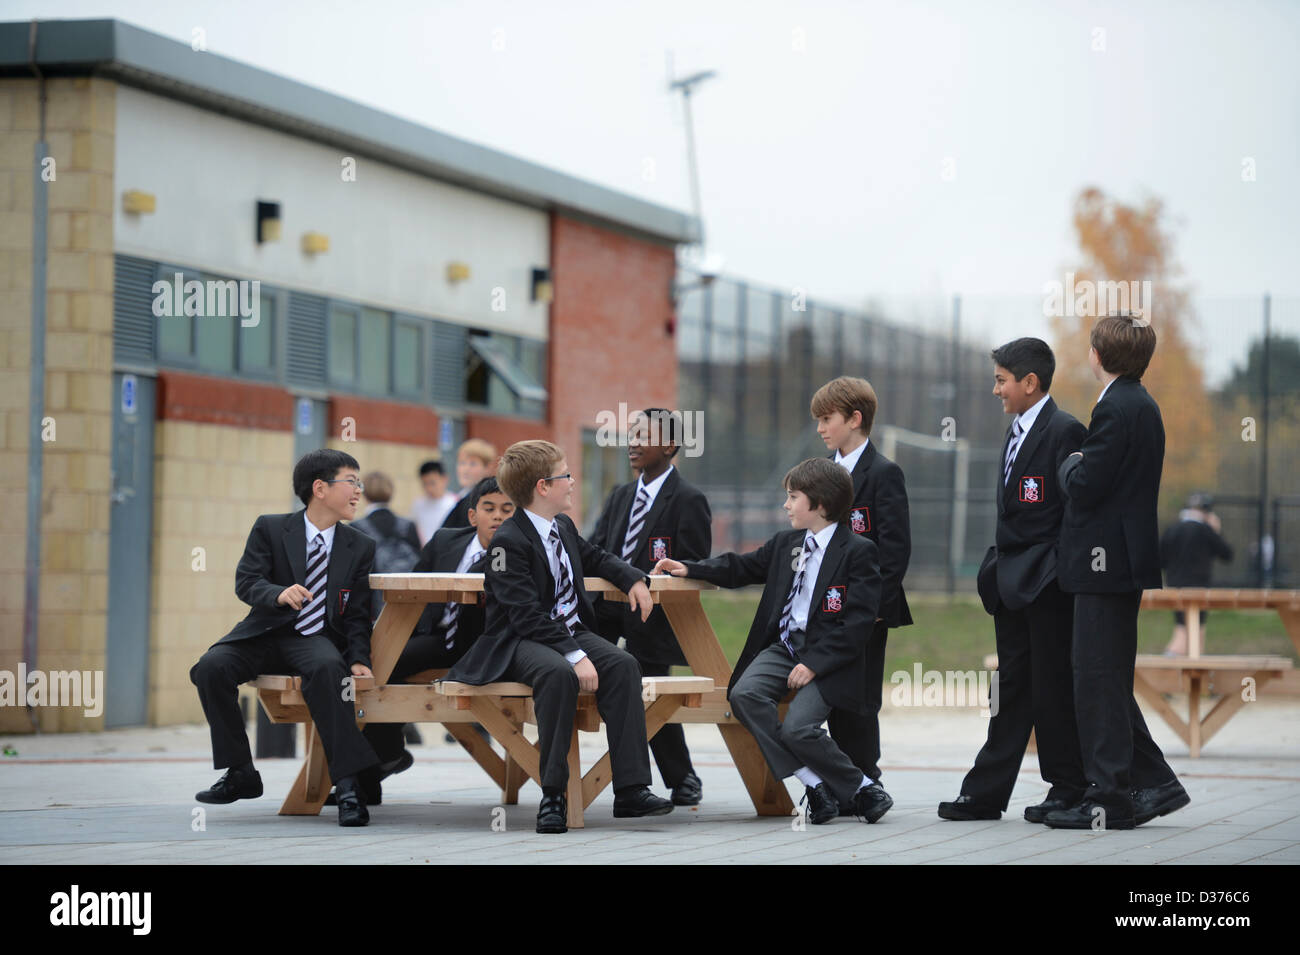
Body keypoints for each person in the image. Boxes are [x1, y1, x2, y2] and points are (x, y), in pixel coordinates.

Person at [444, 440, 673, 833]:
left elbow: (595, 556)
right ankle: (553, 795)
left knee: (622, 665)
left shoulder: (561, 525)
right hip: (518, 640)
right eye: (565, 474)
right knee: (558, 674)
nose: (572, 481)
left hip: (567, 630)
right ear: (543, 487)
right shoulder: (508, 542)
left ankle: (631, 790)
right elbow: (524, 615)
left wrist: (634, 578)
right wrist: (574, 655)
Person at [655, 458, 893, 824]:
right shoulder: (787, 544)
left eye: (793, 497)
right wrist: (691, 568)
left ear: (820, 504)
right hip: (785, 647)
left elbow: (857, 625)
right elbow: (742, 567)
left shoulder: (858, 551)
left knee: (799, 729)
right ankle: (815, 784)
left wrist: (814, 664)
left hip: (829, 657)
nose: (786, 505)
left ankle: (863, 788)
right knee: (744, 694)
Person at [1045, 314, 1189, 830]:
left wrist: (1069, 460)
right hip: (1116, 564)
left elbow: (1084, 483)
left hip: (1103, 566)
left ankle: (1109, 798)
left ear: (1098, 356)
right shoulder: (1139, 403)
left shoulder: (1116, 408)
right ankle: (1155, 783)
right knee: (1106, 680)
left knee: (1097, 681)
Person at [937, 338, 1088, 822]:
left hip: (1045, 585)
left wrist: (1054, 574)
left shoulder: (1065, 431)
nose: (995, 389)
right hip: (1011, 583)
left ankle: (1067, 787)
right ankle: (985, 794)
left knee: (1051, 687)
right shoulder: (1016, 430)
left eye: (1002, 380)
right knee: (1009, 688)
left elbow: (1073, 515)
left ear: (1030, 382)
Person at [189, 449, 379, 827]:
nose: (359, 491)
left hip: (314, 640)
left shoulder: (361, 546)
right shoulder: (271, 528)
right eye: (351, 482)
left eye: (360, 483)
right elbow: (247, 581)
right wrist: (277, 593)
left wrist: (360, 658)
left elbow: (358, 614)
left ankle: (347, 787)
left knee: (330, 669)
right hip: (264, 631)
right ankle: (240, 772)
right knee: (210, 668)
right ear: (320, 488)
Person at [328, 476, 512, 806]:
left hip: (484, 647)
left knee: (389, 670)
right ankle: (384, 757)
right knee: (378, 666)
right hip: (438, 637)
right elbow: (411, 587)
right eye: (489, 508)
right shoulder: (444, 541)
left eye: (507, 509)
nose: (498, 516)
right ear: (473, 515)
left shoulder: (517, 553)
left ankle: (370, 774)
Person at [590, 409, 712, 806]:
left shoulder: (690, 500)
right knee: (575, 669)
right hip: (607, 608)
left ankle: (681, 778)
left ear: (671, 445)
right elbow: (594, 550)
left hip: (655, 616)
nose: (634, 441)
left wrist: (651, 583)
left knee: (650, 694)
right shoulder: (620, 495)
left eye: (644, 434)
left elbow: (694, 566)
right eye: (632, 433)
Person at [811, 376, 911, 815]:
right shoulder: (819, 474)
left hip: (865, 612)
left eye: (827, 418)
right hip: (826, 611)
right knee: (832, 695)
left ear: (855, 419)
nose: (820, 428)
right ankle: (844, 780)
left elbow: (895, 549)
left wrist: (870, 607)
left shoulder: (885, 474)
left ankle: (867, 779)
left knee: (861, 697)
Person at [1160, 493, 1233, 655]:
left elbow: (1160, 560)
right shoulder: (1206, 530)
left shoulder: (1172, 529)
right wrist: (1216, 531)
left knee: (1184, 627)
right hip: (1199, 587)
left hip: (1175, 586)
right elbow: (1227, 554)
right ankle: (1171, 662)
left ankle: (1190, 670)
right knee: (1192, 631)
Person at [350, 471, 422, 622]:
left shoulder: (356, 528)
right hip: (409, 604)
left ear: (365, 494)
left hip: (372, 607)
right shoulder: (408, 525)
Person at [439, 439, 497, 530]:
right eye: (462, 463)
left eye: (473, 464)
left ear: (488, 468)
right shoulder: (463, 496)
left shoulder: (482, 499)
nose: (465, 469)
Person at [413, 460, 459, 546]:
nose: (429, 488)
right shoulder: (418, 505)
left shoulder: (455, 503)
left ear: (445, 479)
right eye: (424, 484)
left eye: (432, 483)